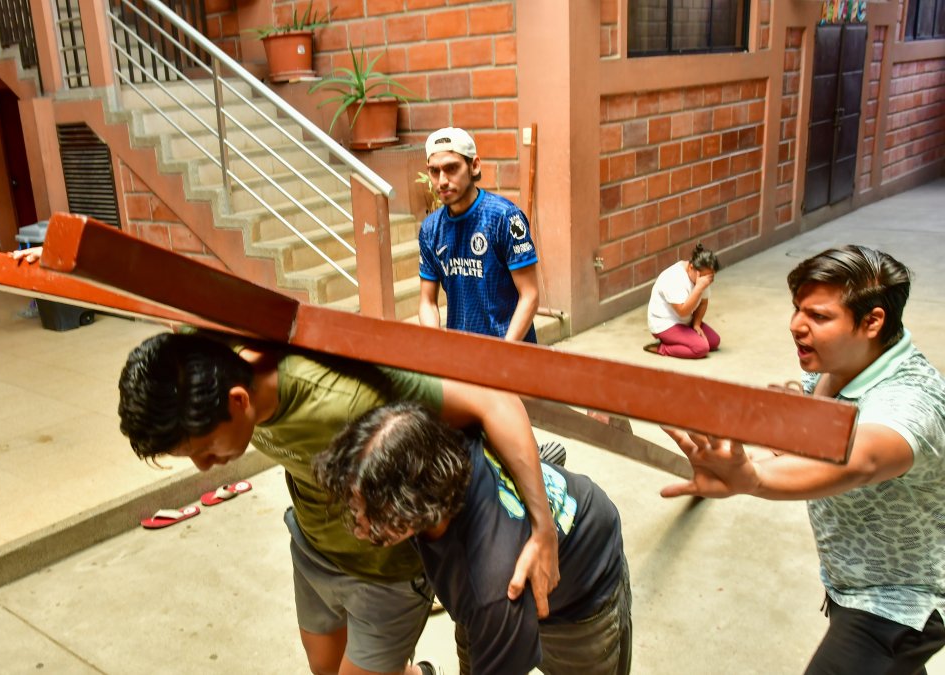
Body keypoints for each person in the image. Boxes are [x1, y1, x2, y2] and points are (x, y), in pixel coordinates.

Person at [118, 331, 559, 675]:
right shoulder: (209, 361)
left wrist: (542, 528)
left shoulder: (350, 396)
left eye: (206, 450)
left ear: (239, 401)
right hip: (313, 546)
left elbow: (494, 399)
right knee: (325, 665)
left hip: (384, 572)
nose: (203, 467)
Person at [661, 245, 945, 674]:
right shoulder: (836, 367)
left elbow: (860, 458)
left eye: (819, 316)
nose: (796, 325)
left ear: (872, 321)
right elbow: (805, 443)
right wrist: (759, 454)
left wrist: (753, 479)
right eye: (797, 309)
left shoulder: (909, 402)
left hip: (899, 601)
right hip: (852, 580)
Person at [316, 402, 632, 675]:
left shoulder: (492, 590)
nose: (357, 529)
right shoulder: (439, 445)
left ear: (414, 507)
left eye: (367, 516)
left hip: (583, 590)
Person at [418, 127, 541, 343]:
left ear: (474, 166)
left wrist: (503, 351)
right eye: (434, 171)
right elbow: (427, 302)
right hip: (463, 353)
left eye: (451, 168)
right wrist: (435, 343)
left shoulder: (504, 218)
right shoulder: (430, 229)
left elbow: (529, 295)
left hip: (511, 351)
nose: (442, 180)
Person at [645, 243, 721, 358]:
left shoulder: (702, 276)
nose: (707, 282)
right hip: (666, 324)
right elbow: (683, 311)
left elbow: (703, 302)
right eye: (704, 278)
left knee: (714, 342)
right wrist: (699, 288)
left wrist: (696, 324)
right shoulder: (674, 278)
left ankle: (683, 338)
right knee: (701, 349)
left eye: (710, 278)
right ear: (691, 267)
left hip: (685, 321)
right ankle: (662, 348)